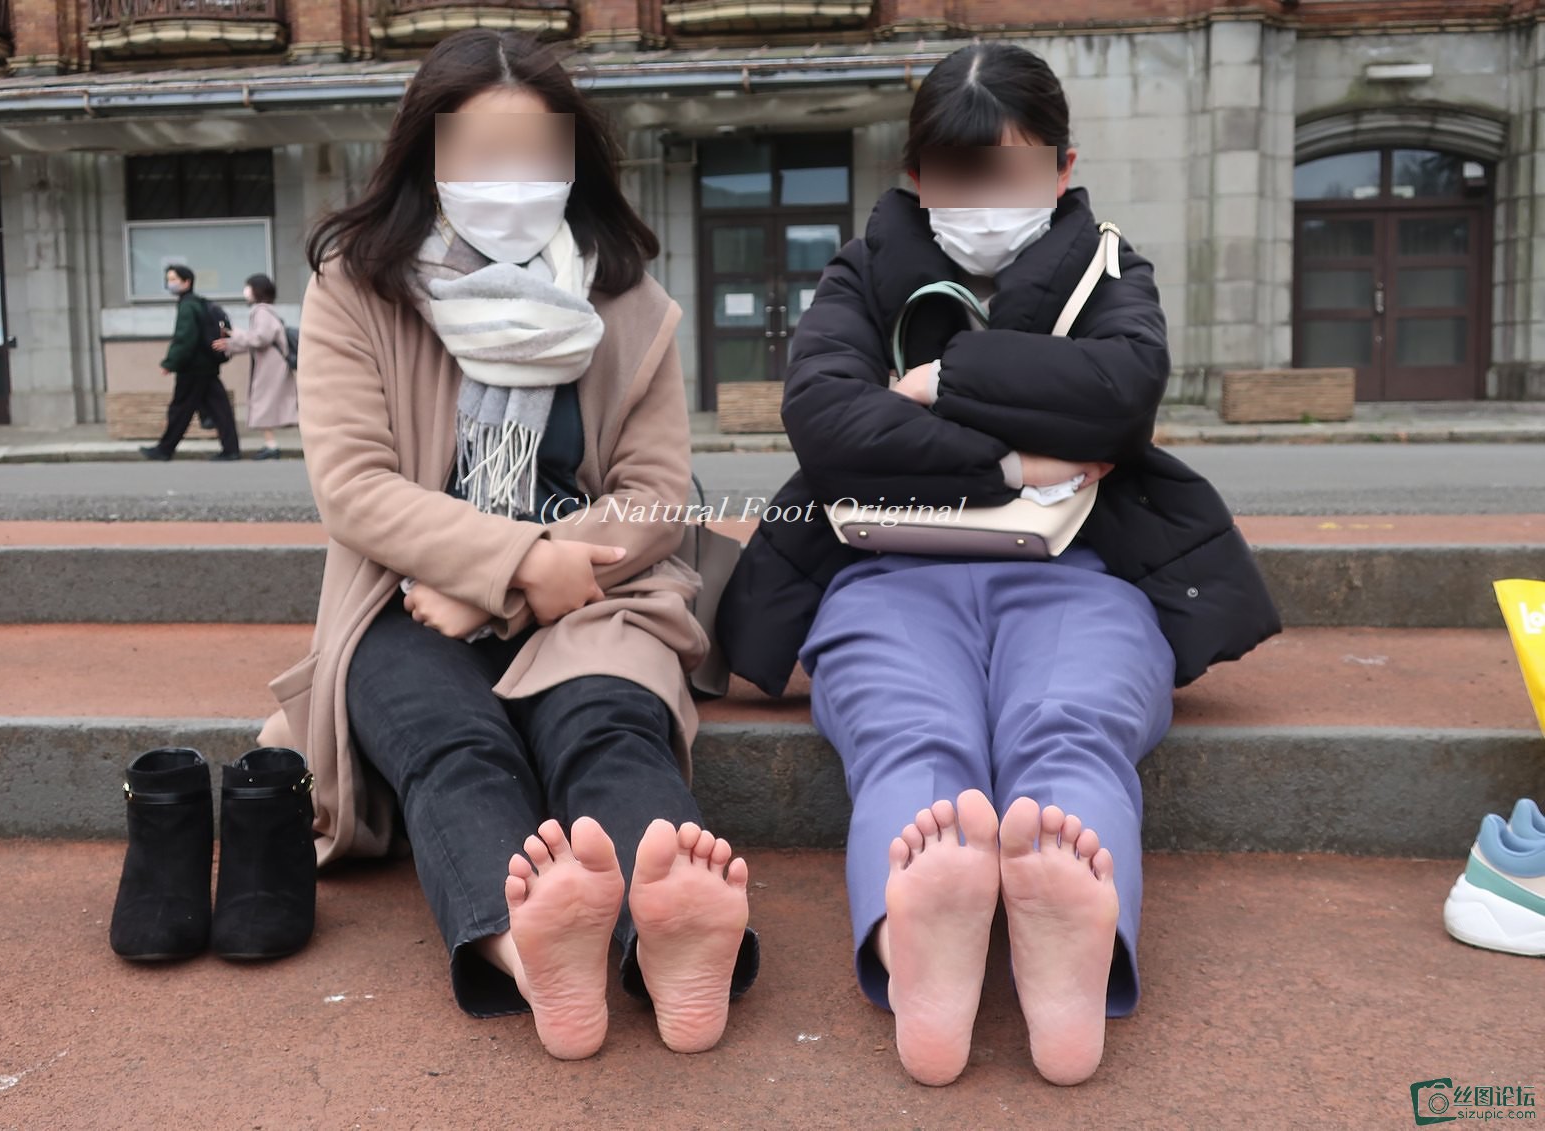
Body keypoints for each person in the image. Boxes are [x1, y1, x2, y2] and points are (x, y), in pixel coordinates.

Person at [717, 43, 1280, 1087]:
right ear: (916, 174)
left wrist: (941, 381)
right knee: (906, 726)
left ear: (1062, 169)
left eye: (1010, 171)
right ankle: (919, 936)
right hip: (885, 569)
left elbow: (1120, 397)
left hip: (1084, 571)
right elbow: (827, 422)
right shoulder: (861, 271)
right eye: (959, 173)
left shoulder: (1110, 268)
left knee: (1073, 720)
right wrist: (1017, 459)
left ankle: (1068, 937)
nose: (984, 199)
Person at [254, 29, 757, 1061]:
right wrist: (515, 563)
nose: (512, 183)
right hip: (406, 598)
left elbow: (654, 494)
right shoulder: (357, 288)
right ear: (427, 158)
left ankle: (669, 937)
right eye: (483, 157)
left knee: (610, 726)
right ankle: (529, 951)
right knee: (453, 745)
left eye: (537, 156)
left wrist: (523, 580)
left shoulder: (631, 302)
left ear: (576, 163)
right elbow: (355, 488)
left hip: (600, 590)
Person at [139, 264, 241, 462]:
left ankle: (164, 450)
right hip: (207, 365)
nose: (169, 283)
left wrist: (170, 362)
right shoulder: (199, 303)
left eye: (173, 279)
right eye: (168, 279)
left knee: (180, 409)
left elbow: (184, 338)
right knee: (220, 409)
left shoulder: (187, 306)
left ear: (187, 282)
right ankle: (231, 449)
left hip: (193, 368)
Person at [214, 273, 297, 460]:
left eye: (248, 287)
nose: (246, 291)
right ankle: (270, 444)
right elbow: (256, 339)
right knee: (268, 402)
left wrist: (233, 334)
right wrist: (231, 343)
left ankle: (271, 445)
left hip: (271, 365)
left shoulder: (261, 311)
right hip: (271, 363)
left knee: (263, 401)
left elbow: (260, 338)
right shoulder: (266, 311)